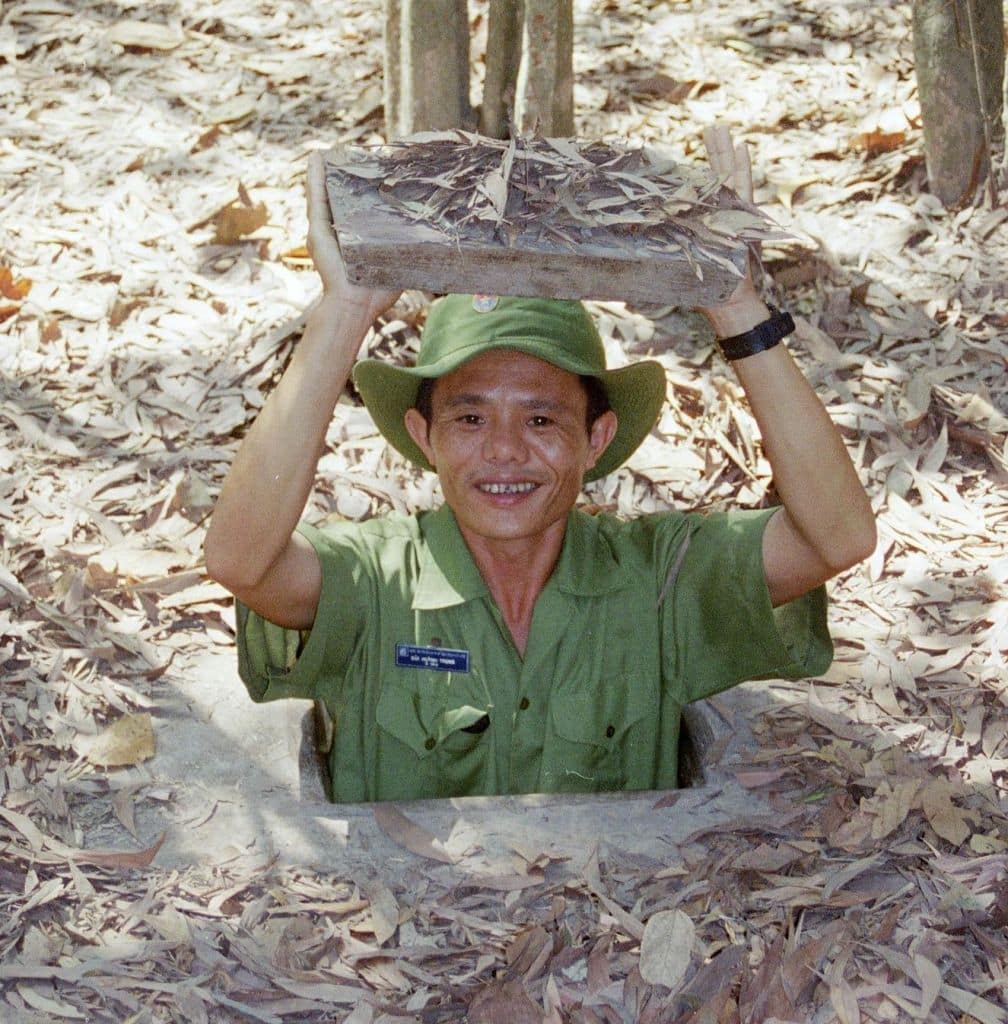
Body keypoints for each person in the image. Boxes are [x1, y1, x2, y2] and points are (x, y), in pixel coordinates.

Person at [203, 127, 876, 803]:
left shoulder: (658, 584)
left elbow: (835, 537)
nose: (505, 450)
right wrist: (345, 309)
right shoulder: (375, 584)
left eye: (542, 418)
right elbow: (241, 560)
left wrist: (737, 307)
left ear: (597, 436)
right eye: (469, 418)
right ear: (423, 433)